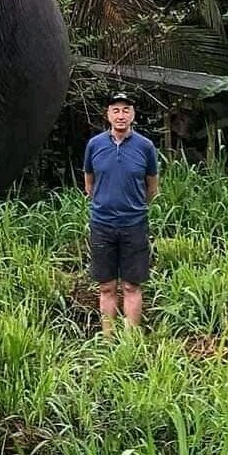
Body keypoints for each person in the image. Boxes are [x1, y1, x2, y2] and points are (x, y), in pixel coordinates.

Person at [83, 91, 160, 336]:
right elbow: (89, 183)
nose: (121, 115)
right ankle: (107, 339)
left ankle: (130, 341)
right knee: (106, 286)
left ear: (133, 115)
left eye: (126, 110)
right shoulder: (94, 145)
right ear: (108, 115)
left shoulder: (145, 147)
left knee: (131, 285)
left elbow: (152, 187)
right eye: (115, 110)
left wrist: (134, 207)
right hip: (102, 225)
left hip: (134, 225)